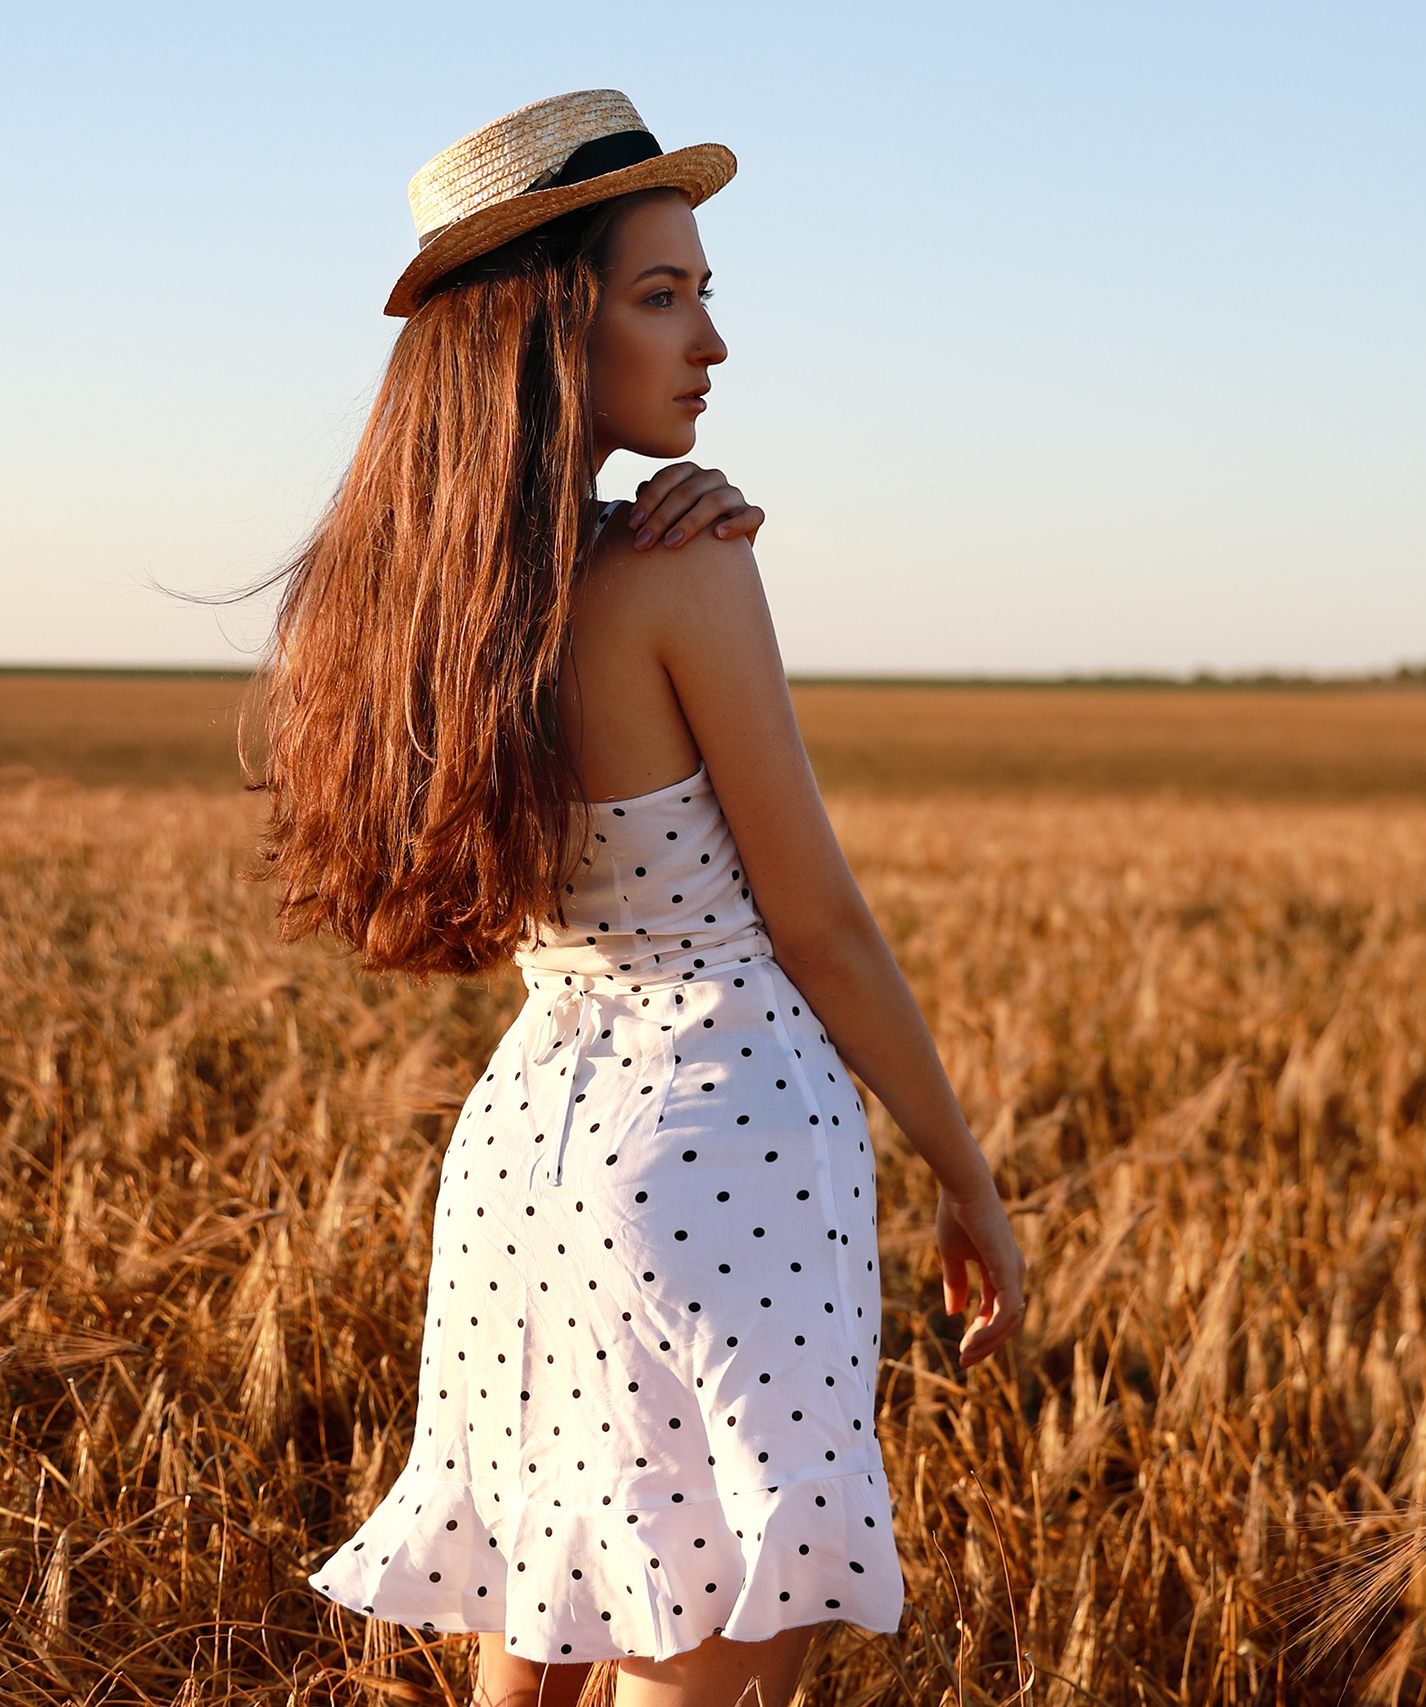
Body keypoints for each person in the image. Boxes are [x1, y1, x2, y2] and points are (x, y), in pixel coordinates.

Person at [273, 90, 1028, 1707]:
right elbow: (817, 922)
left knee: (532, 1653)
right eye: (663, 293)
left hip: (524, 1164)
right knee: (711, 1666)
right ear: (553, 327)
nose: (713, 341)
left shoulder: (425, 604)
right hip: (722, 1151)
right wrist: (968, 1178)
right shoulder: (683, 572)